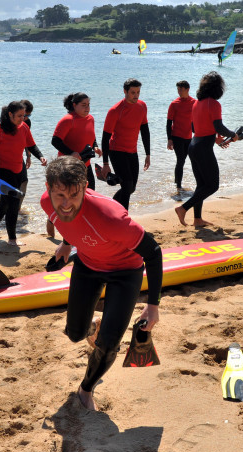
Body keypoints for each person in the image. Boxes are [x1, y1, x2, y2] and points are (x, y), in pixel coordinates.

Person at [41, 156, 162, 411]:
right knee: (74, 334)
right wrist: (65, 244)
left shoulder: (111, 217)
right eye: (59, 195)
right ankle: (94, 328)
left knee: (108, 345)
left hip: (125, 272)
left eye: (73, 196)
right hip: (87, 266)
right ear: (48, 188)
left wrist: (152, 306)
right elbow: (67, 221)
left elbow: (154, 253)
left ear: (85, 187)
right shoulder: (46, 204)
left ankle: (86, 389)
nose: (65, 204)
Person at [174, 72, 239, 228]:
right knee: (212, 185)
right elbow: (219, 127)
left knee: (201, 185)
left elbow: (194, 127)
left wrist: (215, 139)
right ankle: (183, 208)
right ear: (218, 88)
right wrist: (233, 135)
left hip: (194, 145)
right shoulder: (214, 104)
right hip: (203, 148)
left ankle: (197, 219)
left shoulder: (197, 103)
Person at [0, 101, 45, 246]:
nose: (22, 119)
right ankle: (12, 239)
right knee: (13, 203)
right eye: (19, 116)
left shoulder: (23, 127)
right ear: (10, 114)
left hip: (19, 169)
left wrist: (40, 156)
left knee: (5, 202)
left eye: (24, 115)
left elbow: (31, 144)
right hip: (3, 171)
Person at [49, 92, 102, 238]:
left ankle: (84, 226)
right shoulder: (68, 120)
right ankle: (52, 220)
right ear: (74, 105)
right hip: (68, 166)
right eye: (83, 105)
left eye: (88, 105)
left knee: (89, 194)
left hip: (86, 164)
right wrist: (71, 152)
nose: (87, 108)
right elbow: (55, 141)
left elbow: (91, 134)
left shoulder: (90, 118)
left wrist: (96, 146)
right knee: (69, 198)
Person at [100, 78, 150, 210]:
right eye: (133, 92)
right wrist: (105, 164)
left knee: (131, 188)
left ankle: (110, 208)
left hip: (132, 151)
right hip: (117, 151)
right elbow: (105, 138)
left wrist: (148, 154)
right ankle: (124, 219)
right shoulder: (115, 110)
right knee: (127, 186)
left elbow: (145, 131)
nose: (136, 95)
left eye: (138, 92)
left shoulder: (142, 106)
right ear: (125, 91)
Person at [166, 80, 195, 191]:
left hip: (188, 137)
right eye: (178, 89)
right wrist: (169, 139)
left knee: (187, 160)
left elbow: (195, 121)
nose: (179, 92)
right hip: (176, 136)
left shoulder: (194, 102)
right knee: (180, 160)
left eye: (181, 89)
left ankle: (177, 182)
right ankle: (178, 185)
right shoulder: (174, 104)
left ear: (187, 89)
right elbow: (169, 123)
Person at [18, 99, 46, 207]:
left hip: (18, 157)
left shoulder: (26, 123)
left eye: (28, 116)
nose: (25, 119)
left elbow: (28, 142)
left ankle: (18, 208)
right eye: (23, 115)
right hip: (3, 159)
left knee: (24, 181)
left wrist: (29, 156)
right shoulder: (6, 122)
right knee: (2, 185)